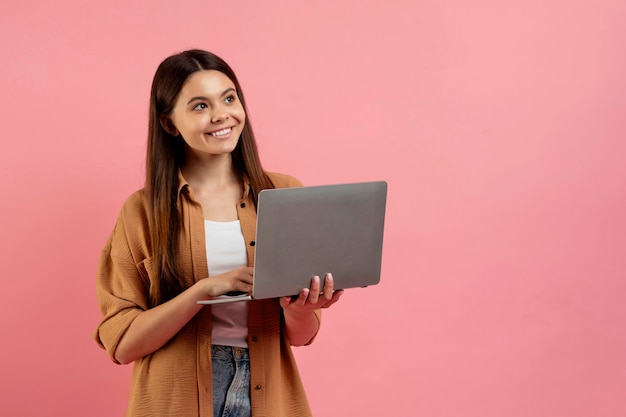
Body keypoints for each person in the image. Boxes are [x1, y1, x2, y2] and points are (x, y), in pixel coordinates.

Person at [94, 49, 343, 417]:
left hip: (267, 393)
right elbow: (122, 343)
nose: (222, 114)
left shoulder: (284, 194)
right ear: (169, 124)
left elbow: (300, 336)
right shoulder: (142, 212)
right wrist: (204, 290)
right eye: (199, 106)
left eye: (229, 98)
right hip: (174, 398)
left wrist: (302, 309)